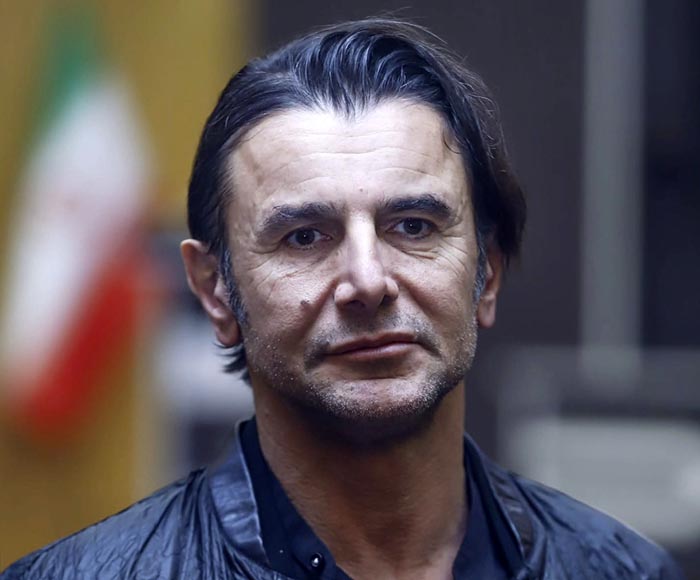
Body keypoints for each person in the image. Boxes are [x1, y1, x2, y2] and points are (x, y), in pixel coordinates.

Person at [2, 17, 684, 580]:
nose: (368, 281)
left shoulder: (624, 572)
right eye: (304, 237)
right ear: (216, 292)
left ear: (488, 273)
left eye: (413, 227)